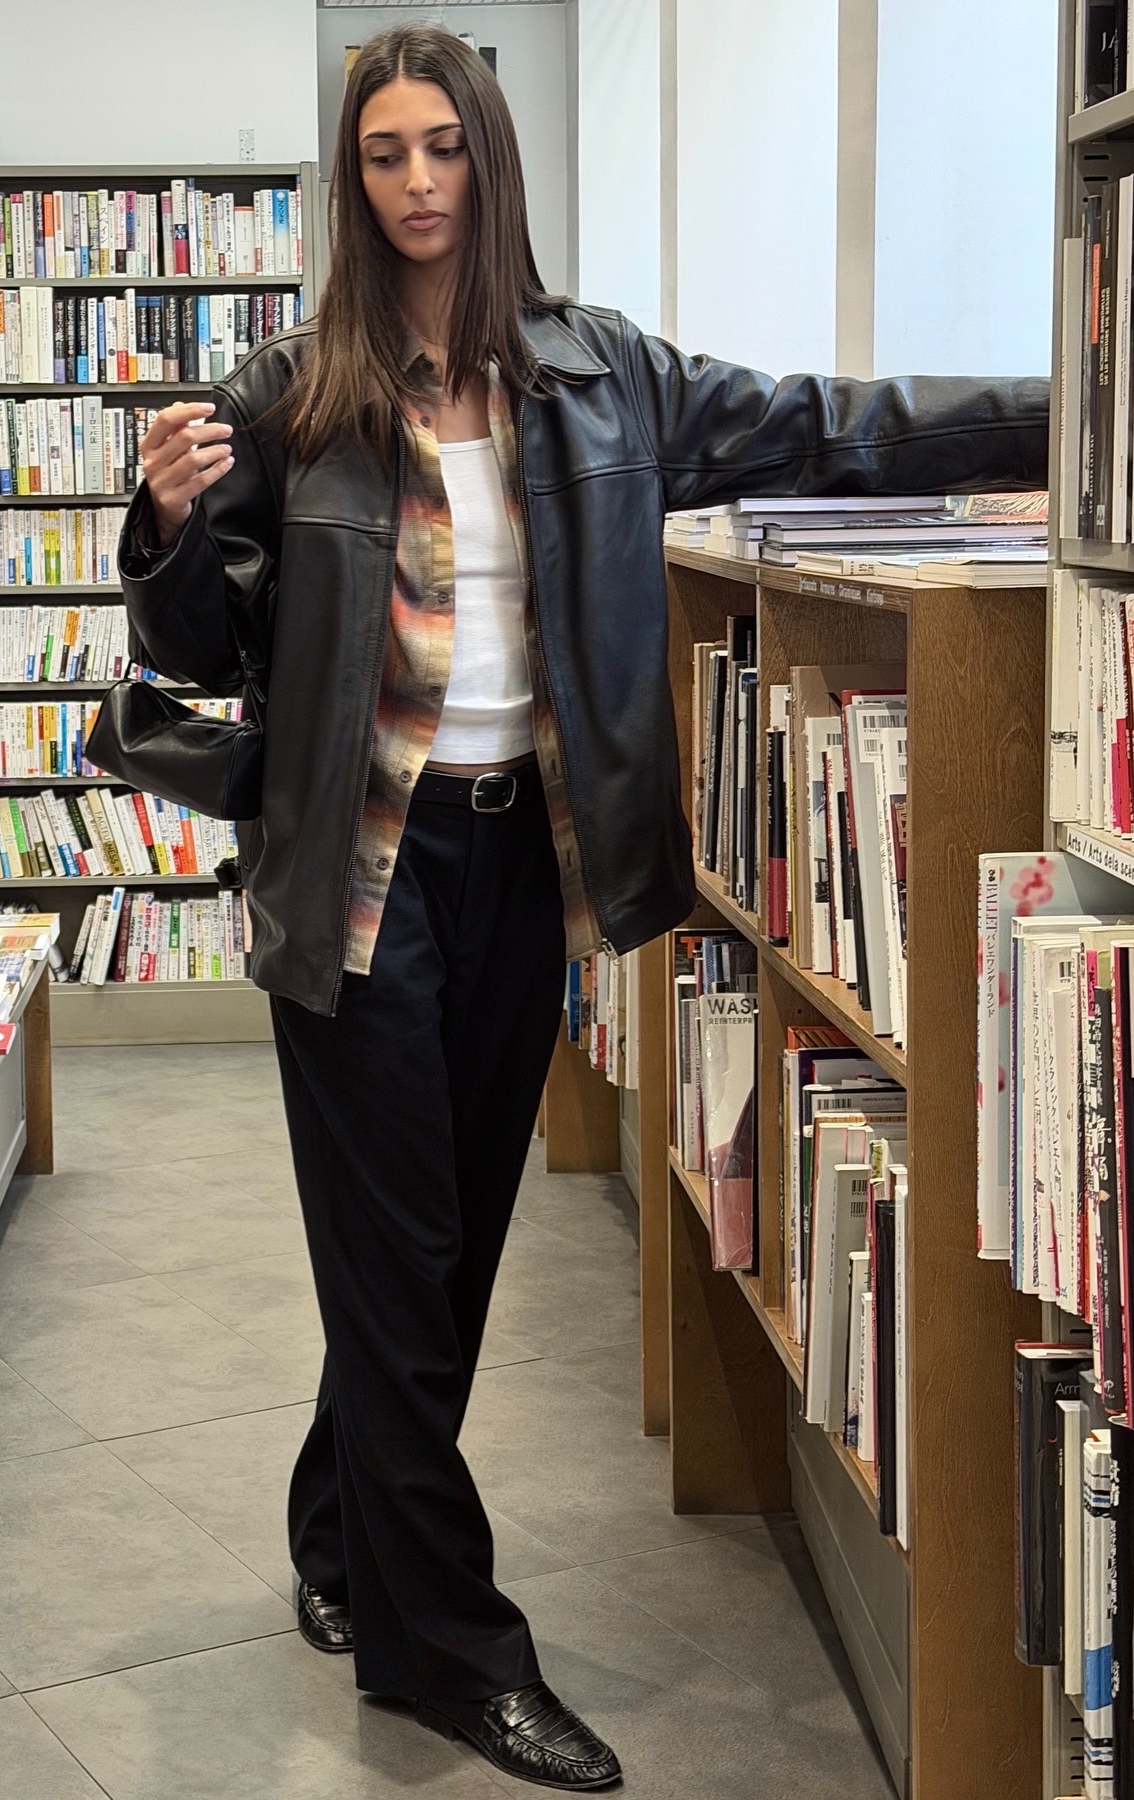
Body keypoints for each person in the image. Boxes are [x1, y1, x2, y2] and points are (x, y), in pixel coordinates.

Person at [120, 24, 1047, 1791]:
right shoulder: (290, 395)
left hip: (516, 864)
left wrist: (1075, 401)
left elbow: (834, 426)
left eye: (443, 146)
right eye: (383, 153)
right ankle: (448, 1654)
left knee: (445, 1245)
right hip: (357, 875)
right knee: (397, 1254)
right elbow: (204, 647)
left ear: (491, 159)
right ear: (352, 179)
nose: (417, 182)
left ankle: (339, 1533)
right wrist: (163, 527)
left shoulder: (602, 375)